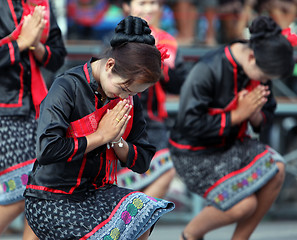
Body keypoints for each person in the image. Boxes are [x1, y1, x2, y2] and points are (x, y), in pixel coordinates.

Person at [23, 16, 175, 240]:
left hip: (95, 192)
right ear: (110, 65)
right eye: (124, 88)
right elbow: (47, 150)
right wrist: (100, 135)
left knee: (144, 211)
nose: (126, 97)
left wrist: (116, 139)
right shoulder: (67, 86)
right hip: (51, 197)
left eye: (134, 93)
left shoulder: (128, 96)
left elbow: (142, 162)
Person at [169, 16, 294, 240]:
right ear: (252, 56)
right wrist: (238, 114)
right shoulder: (207, 70)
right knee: (243, 205)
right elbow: (190, 125)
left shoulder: (260, 67)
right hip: (193, 153)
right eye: (265, 76)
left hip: (232, 145)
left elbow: (267, 115)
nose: (265, 81)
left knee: (277, 167)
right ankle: (189, 235)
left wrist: (255, 115)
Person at [0, 0, 67, 239]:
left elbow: (57, 57)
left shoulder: (44, 4)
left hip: (37, 109)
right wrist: (20, 42)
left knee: (43, 188)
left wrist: (35, 45)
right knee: (23, 187)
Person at [117, 0, 188, 199]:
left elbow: (179, 84)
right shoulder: (115, 38)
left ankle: (134, 219)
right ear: (126, 7)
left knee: (167, 169)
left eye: (153, 3)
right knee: (122, 189)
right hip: (119, 124)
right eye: (142, 3)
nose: (148, 9)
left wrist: (160, 62)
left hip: (153, 124)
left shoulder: (167, 41)